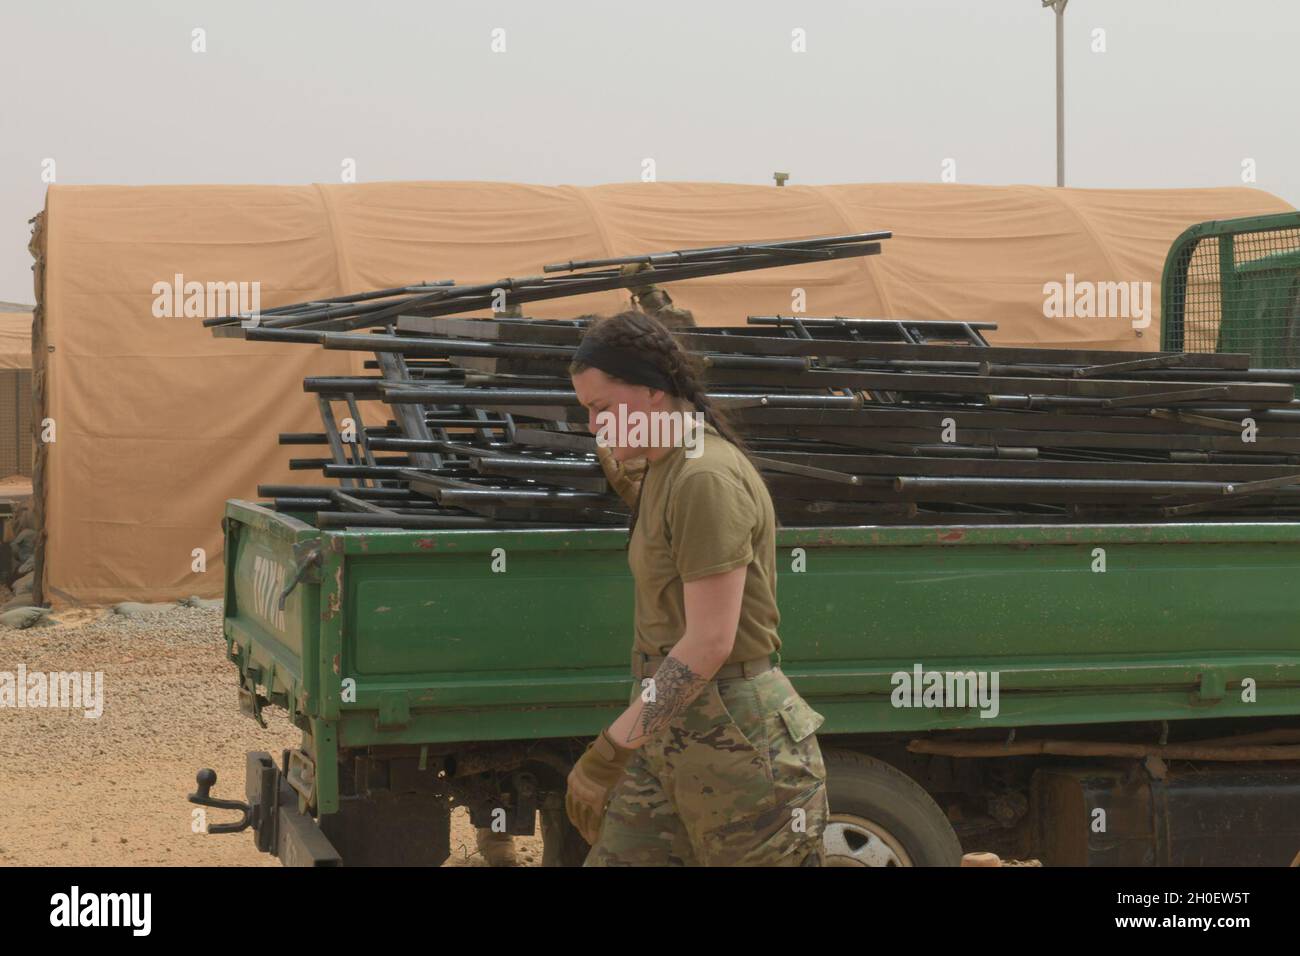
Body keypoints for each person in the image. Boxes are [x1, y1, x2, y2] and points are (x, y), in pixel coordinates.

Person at [564, 309, 828, 866]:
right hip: (673, 733)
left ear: (654, 394)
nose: (595, 427)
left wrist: (611, 749)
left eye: (601, 409)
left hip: (739, 746)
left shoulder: (704, 476)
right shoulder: (665, 465)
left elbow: (709, 642)